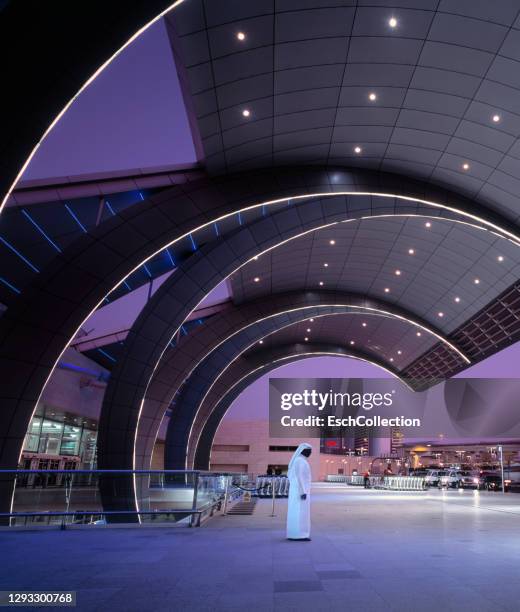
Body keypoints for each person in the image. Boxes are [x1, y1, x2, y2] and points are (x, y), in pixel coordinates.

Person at [286, 443, 312, 541]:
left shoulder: (300, 460)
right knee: (300, 512)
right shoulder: (300, 461)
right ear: (303, 451)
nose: (310, 453)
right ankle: (300, 534)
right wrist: (302, 491)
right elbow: (299, 477)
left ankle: (297, 533)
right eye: (309, 451)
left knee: (298, 511)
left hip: (299, 490)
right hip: (300, 491)